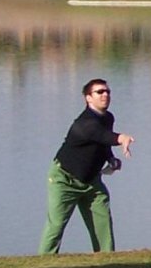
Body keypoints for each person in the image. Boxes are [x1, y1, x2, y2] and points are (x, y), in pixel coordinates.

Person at [40, 78, 135, 254]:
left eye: (107, 91)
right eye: (100, 92)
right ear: (88, 98)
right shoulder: (84, 123)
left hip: (92, 181)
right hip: (64, 180)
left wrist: (111, 159)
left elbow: (102, 142)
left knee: (103, 225)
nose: (105, 95)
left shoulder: (108, 118)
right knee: (56, 225)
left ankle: (107, 262)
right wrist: (122, 138)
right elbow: (101, 135)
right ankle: (43, 263)